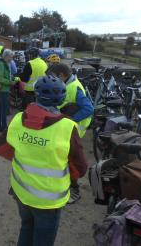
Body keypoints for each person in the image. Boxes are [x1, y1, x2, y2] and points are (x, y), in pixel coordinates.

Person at [0, 75, 87, 246]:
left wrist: (25, 154)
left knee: (26, 228)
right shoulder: (67, 127)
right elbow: (80, 169)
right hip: (49, 201)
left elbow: (0, 148)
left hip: (21, 191)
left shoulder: (18, 119)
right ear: (60, 100)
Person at [49, 63, 94, 204]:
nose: (52, 79)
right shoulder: (67, 84)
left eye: (54, 77)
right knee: (62, 159)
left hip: (73, 130)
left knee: (70, 161)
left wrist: (70, 120)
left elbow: (89, 108)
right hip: (65, 128)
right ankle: (65, 186)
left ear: (62, 75)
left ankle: (74, 191)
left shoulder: (74, 87)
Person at [0, 49, 20, 132]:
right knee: (3, 109)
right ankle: (3, 127)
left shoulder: (4, 63)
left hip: (3, 89)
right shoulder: (1, 64)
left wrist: (12, 78)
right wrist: (10, 82)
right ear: (6, 56)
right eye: (10, 57)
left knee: (1, 109)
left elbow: (4, 76)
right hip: (2, 90)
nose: (11, 59)